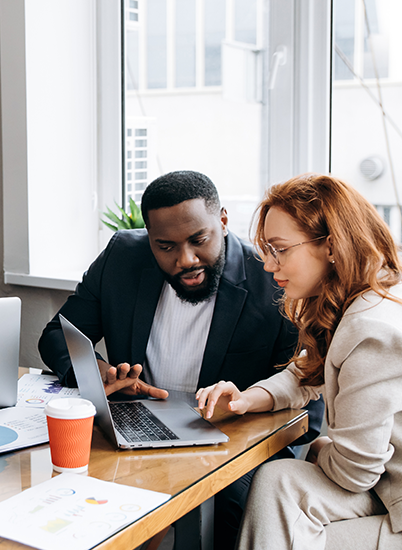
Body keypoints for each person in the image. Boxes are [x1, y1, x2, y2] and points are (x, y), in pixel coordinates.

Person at [38, 170, 323, 550]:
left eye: (198, 240)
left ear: (222, 220)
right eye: (165, 246)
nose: (185, 259)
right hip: (134, 429)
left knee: (229, 507)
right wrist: (98, 373)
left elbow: (307, 405)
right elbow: (57, 334)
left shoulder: (273, 278)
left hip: (231, 442)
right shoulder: (122, 257)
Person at [196, 174, 402, 549]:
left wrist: (321, 450)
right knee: (280, 480)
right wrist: (248, 399)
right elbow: (309, 370)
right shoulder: (376, 295)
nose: (268, 264)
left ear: (330, 246)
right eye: (266, 249)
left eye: (280, 249)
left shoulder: (374, 330)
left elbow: (353, 473)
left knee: (287, 507)